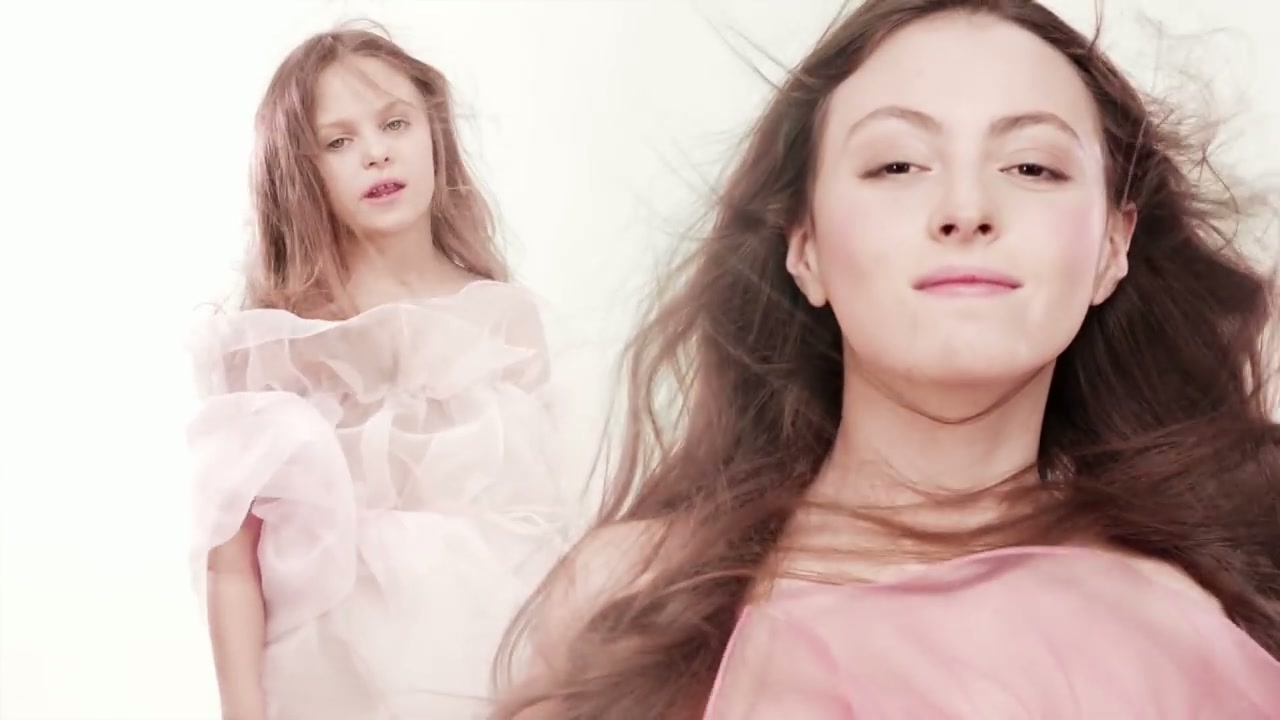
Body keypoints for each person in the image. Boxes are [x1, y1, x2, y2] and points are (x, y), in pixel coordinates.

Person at [492, 1, 1280, 717]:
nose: (966, 210)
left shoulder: (1183, 632)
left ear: (1112, 246)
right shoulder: (631, 598)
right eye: (897, 165)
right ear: (804, 247)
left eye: (1031, 167)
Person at [187, 26, 569, 720]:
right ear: (299, 172)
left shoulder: (504, 320)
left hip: (491, 672)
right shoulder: (278, 341)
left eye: (395, 123)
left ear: (434, 133)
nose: (376, 152)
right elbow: (230, 561)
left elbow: (541, 527)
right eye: (338, 141)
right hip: (330, 686)